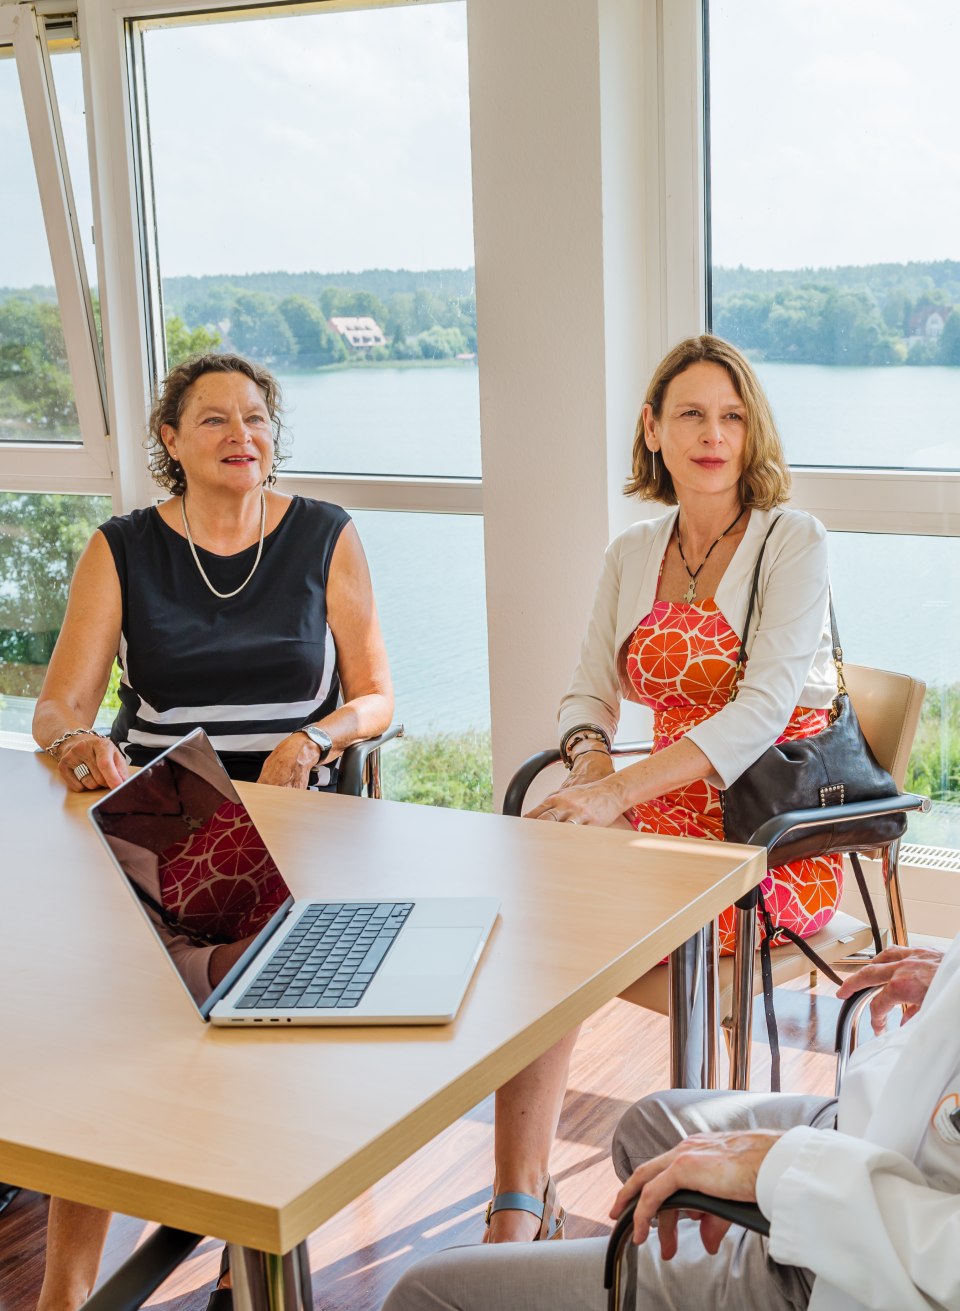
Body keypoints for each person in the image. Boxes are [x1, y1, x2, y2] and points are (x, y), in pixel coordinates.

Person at [32, 351, 393, 1311]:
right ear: (170, 441)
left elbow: (375, 698)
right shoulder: (123, 547)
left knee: (257, 1016)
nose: (243, 436)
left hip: (300, 808)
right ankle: (66, 1290)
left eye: (257, 418)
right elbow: (59, 705)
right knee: (109, 1041)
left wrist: (314, 736)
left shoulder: (324, 534)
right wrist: (78, 746)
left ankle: (249, 1248)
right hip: (168, 807)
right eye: (215, 421)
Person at [487, 335, 843, 1241]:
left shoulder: (790, 538)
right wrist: (592, 766)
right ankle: (518, 1198)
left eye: (732, 415)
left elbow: (761, 709)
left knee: (563, 912)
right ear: (652, 429)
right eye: (690, 413)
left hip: (762, 829)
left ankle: (691, 1200)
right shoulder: (633, 549)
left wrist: (618, 795)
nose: (712, 433)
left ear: (751, 431)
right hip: (652, 807)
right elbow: (585, 692)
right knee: (538, 901)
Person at [383, 939, 960, 1311]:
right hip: (877, 1124)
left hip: (863, 1256)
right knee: (645, 1128)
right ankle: (534, 1207)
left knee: (425, 1292)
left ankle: (717, 1262)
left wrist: (778, 1170)